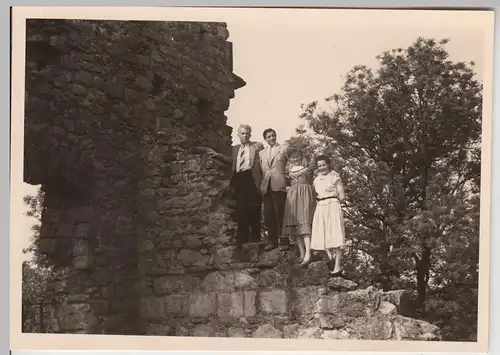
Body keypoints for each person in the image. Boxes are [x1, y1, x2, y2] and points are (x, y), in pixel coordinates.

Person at [310, 155, 346, 275]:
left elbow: (342, 196)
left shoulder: (335, 176)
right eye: (319, 165)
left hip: (333, 205)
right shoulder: (316, 180)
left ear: (328, 164)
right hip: (320, 206)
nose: (322, 167)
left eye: (324, 165)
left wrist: (333, 203)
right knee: (318, 238)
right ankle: (328, 261)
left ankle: (337, 267)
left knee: (336, 236)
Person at [230, 124, 264, 249]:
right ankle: (241, 239)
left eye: (247, 133)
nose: (245, 136)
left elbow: (263, 163)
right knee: (241, 209)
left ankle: (255, 238)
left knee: (254, 208)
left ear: (250, 134)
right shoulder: (234, 149)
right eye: (242, 133)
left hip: (252, 178)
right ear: (238, 134)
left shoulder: (257, 146)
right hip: (239, 179)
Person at [282, 148, 316, 266]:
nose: (295, 159)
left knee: (304, 223)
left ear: (301, 157)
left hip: (305, 195)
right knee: (295, 225)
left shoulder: (307, 168)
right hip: (292, 197)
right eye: (292, 157)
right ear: (289, 159)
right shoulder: (288, 170)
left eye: (297, 157)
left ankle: (308, 253)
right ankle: (302, 253)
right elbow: (286, 182)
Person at [259, 128, 291, 251]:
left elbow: (294, 161)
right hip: (266, 186)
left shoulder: (283, 148)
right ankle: (272, 241)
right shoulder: (261, 153)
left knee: (280, 213)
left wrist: (290, 179)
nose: (272, 138)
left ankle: (284, 241)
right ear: (265, 139)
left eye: (273, 135)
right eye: (269, 137)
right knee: (268, 214)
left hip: (279, 185)